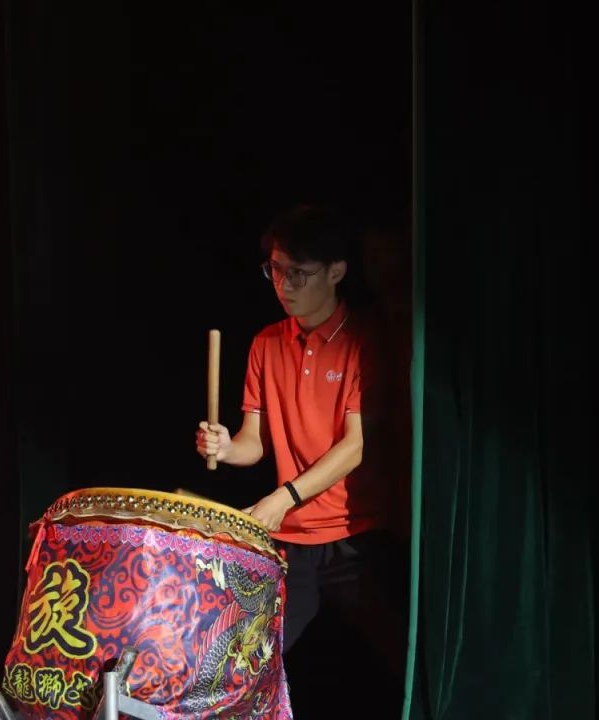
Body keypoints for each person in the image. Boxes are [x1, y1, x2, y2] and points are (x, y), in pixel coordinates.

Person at [194, 204, 408, 712]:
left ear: (336, 271)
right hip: (293, 544)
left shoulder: (366, 339)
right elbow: (255, 441)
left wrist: (282, 498)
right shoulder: (267, 343)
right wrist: (226, 447)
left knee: (402, 662)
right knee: (249, 661)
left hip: (358, 535)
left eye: (298, 273)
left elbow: (354, 447)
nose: (283, 285)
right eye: (275, 270)